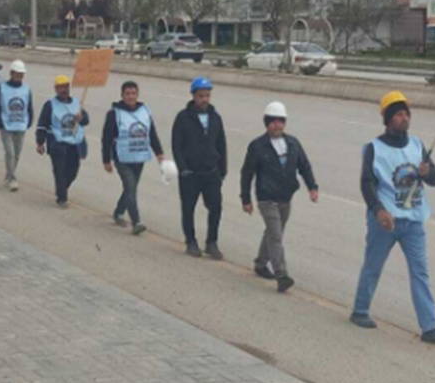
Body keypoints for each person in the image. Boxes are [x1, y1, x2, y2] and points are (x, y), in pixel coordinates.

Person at [350, 92, 435, 344]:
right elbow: (366, 183)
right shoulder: (374, 148)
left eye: (406, 114)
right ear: (387, 119)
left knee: (420, 272)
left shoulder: (417, 145)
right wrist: (378, 210)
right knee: (373, 267)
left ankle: (430, 327)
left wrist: (428, 173)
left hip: (413, 222)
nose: (404, 118)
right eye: (398, 114)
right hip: (385, 221)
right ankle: (360, 310)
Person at [239, 101, 319, 293]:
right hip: (267, 199)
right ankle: (281, 275)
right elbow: (247, 173)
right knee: (276, 235)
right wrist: (246, 199)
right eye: (273, 121)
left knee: (273, 232)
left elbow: (304, 166)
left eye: (280, 121)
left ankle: (260, 263)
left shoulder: (293, 143)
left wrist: (312, 187)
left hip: (285, 197)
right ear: (266, 123)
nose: (277, 125)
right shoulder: (257, 146)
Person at [171, 77, 227, 259]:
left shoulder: (215, 117)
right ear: (194, 96)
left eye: (207, 96)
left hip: (211, 172)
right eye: (201, 95)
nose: (204, 99)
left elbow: (221, 144)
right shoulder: (183, 118)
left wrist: (222, 169)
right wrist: (182, 168)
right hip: (190, 174)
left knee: (216, 208)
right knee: (188, 209)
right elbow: (176, 145)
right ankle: (191, 241)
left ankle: (212, 242)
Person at [102, 80, 164, 235]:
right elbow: (107, 138)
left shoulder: (144, 111)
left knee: (131, 188)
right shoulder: (114, 114)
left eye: (133, 93)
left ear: (137, 94)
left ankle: (118, 212)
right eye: (127, 94)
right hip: (122, 158)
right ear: (122, 95)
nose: (131, 96)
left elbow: (151, 133)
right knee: (130, 186)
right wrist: (106, 160)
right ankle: (136, 221)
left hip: (139, 156)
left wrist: (159, 153)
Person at [36, 75, 89, 208]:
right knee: (59, 170)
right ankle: (62, 198)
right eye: (60, 87)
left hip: (74, 143)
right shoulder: (50, 105)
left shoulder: (77, 103)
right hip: (57, 142)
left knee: (73, 170)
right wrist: (40, 142)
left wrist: (81, 118)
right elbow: (42, 124)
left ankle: (62, 188)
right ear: (56, 89)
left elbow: (86, 121)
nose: (63, 90)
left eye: (65, 87)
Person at [0, 60, 33, 192]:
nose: (20, 76)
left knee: (17, 154)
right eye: (17, 74)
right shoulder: (2, 88)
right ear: (11, 73)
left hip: (21, 125)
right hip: (6, 125)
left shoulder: (26, 89)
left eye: (22, 74)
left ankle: (8, 174)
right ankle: (12, 178)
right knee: (10, 153)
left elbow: (29, 106)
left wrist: (30, 120)